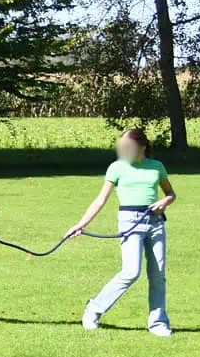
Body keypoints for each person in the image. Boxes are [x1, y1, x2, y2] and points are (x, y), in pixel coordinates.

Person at [65, 128, 175, 336]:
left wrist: (164, 201)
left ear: (142, 146)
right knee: (131, 272)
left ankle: (158, 323)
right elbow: (100, 200)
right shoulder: (116, 168)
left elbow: (171, 194)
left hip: (155, 222)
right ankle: (94, 309)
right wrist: (80, 225)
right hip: (129, 221)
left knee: (158, 276)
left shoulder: (156, 167)